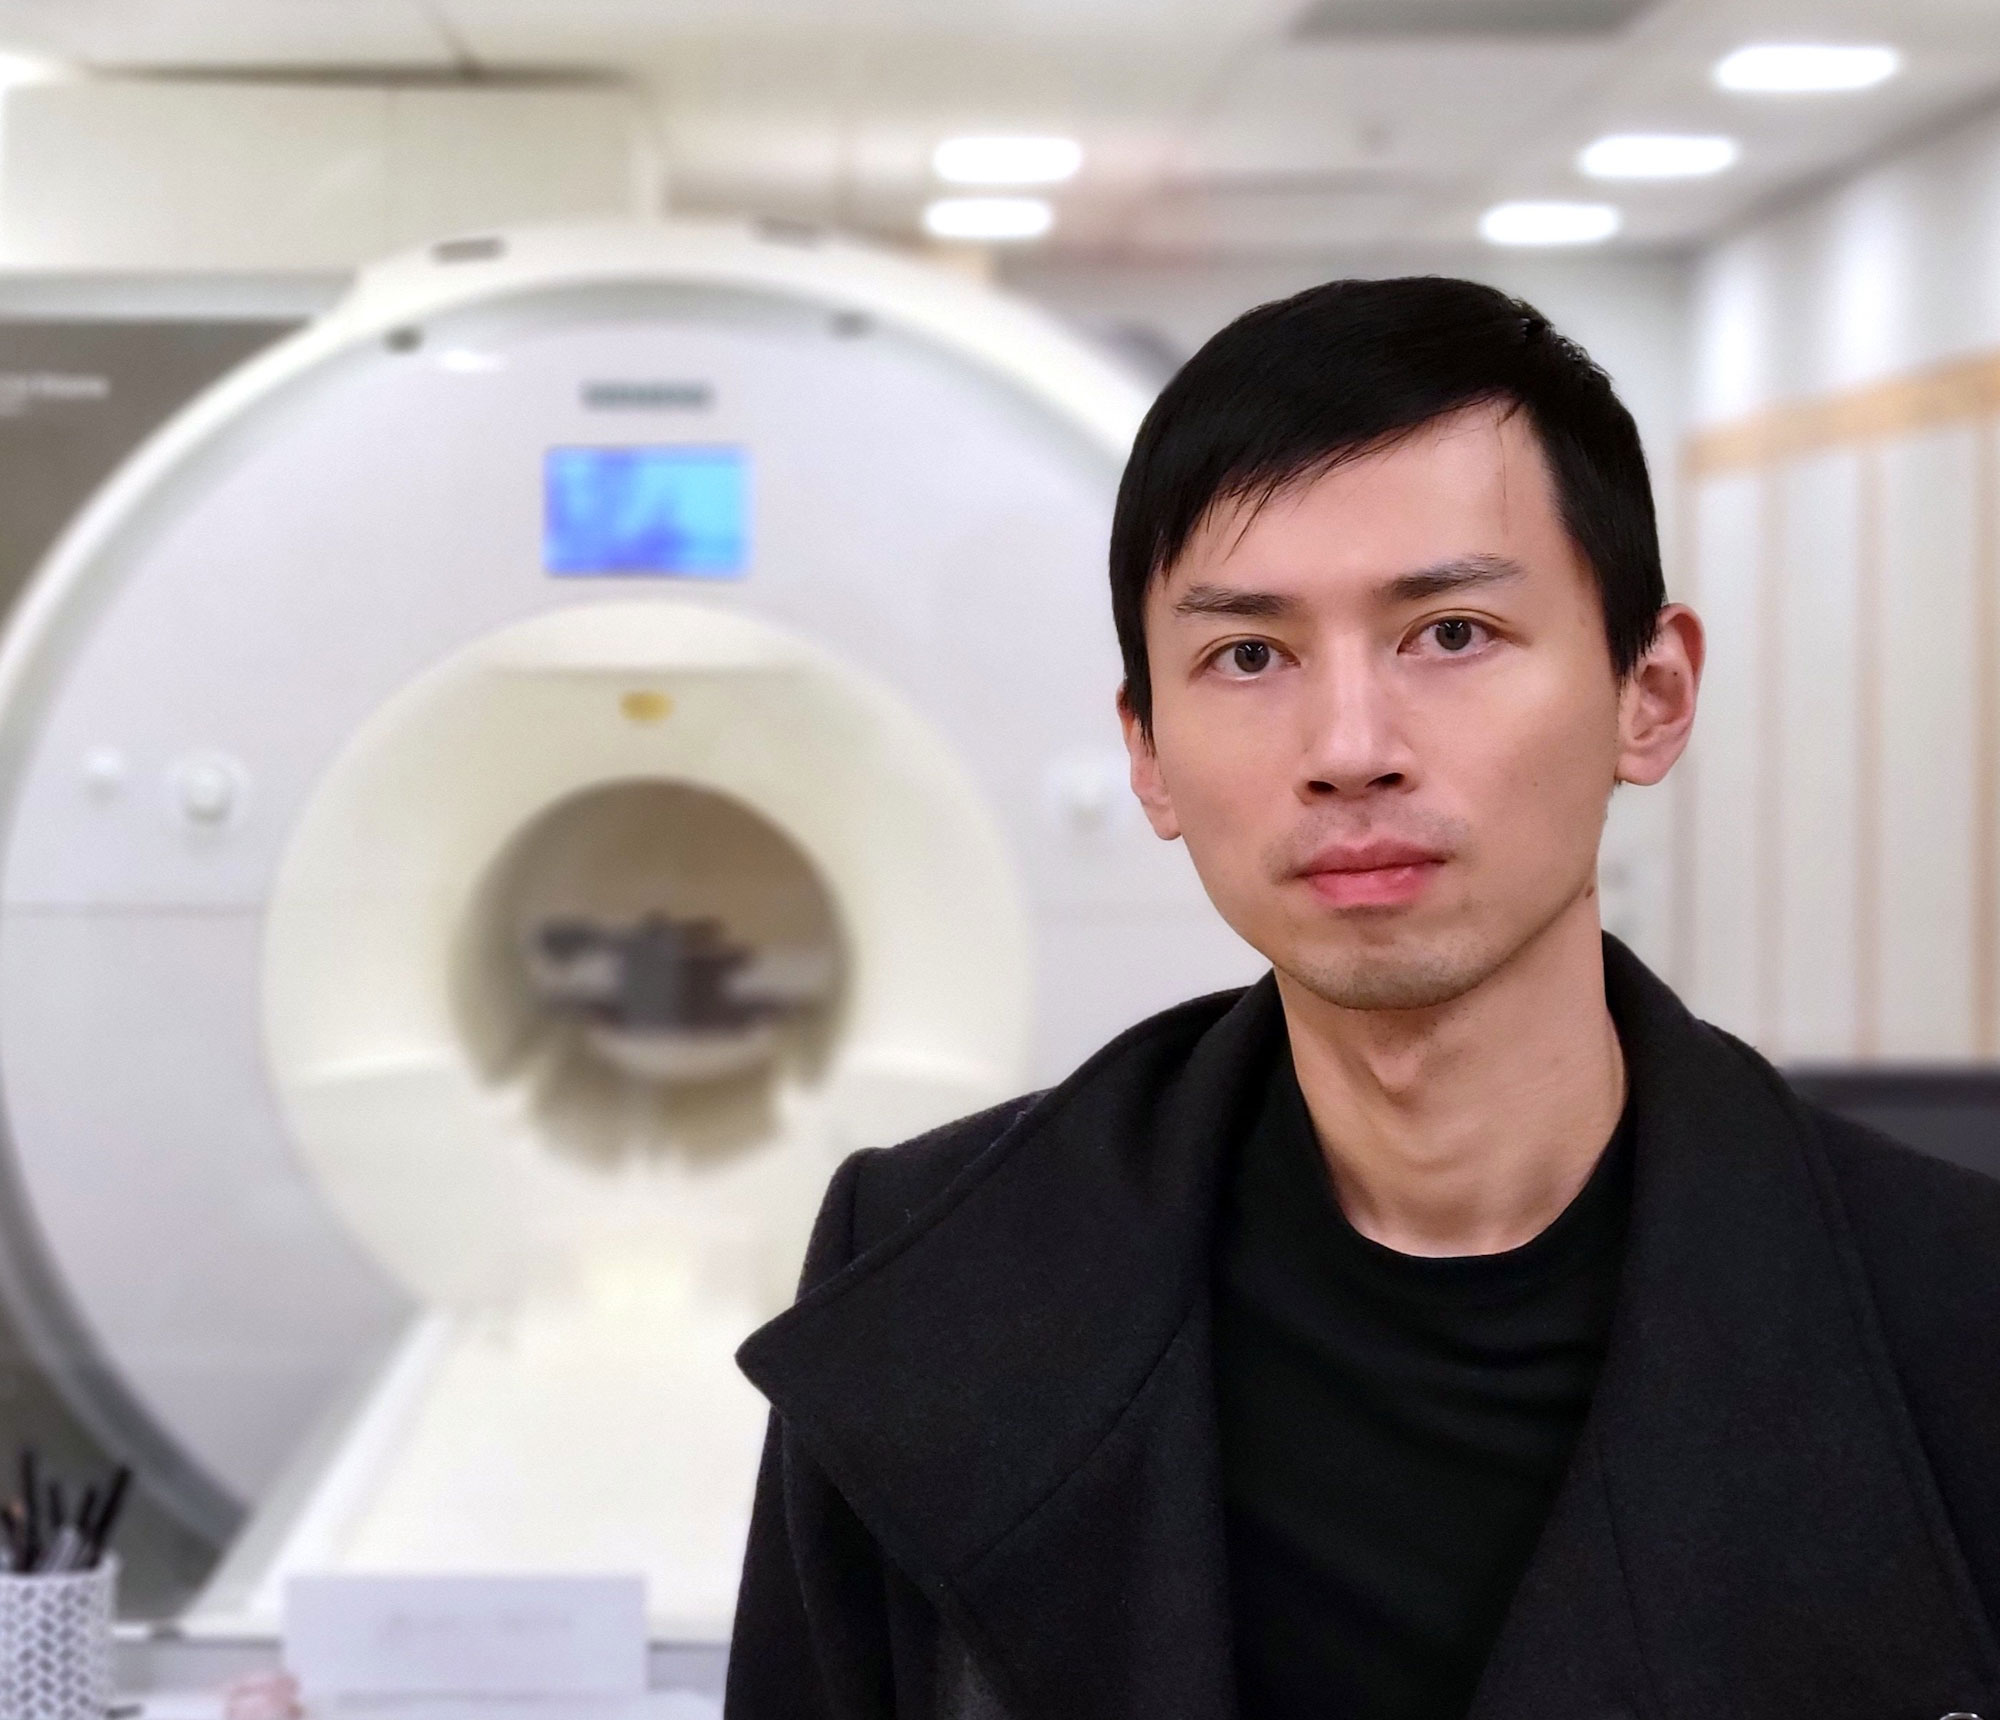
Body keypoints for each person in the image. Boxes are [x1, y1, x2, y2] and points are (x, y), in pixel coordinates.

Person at [723, 277, 2000, 1720]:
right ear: (1147, 752)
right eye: (1249, 656)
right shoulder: (924, 1286)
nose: (1350, 748)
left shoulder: (1953, 1314)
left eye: (1450, 633)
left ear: (1651, 693)